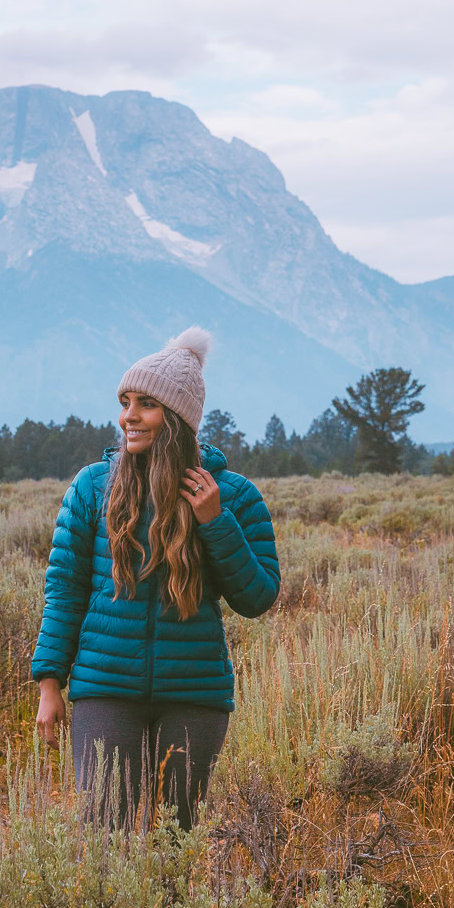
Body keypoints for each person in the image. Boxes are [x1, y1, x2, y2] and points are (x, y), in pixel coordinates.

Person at [31, 327, 280, 830]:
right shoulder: (92, 487)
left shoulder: (231, 495)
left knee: (174, 844)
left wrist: (215, 521)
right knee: (105, 838)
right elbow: (65, 590)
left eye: (145, 403)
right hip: (104, 687)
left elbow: (257, 596)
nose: (129, 416)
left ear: (177, 417)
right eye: (126, 401)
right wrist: (49, 682)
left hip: (194, 695)